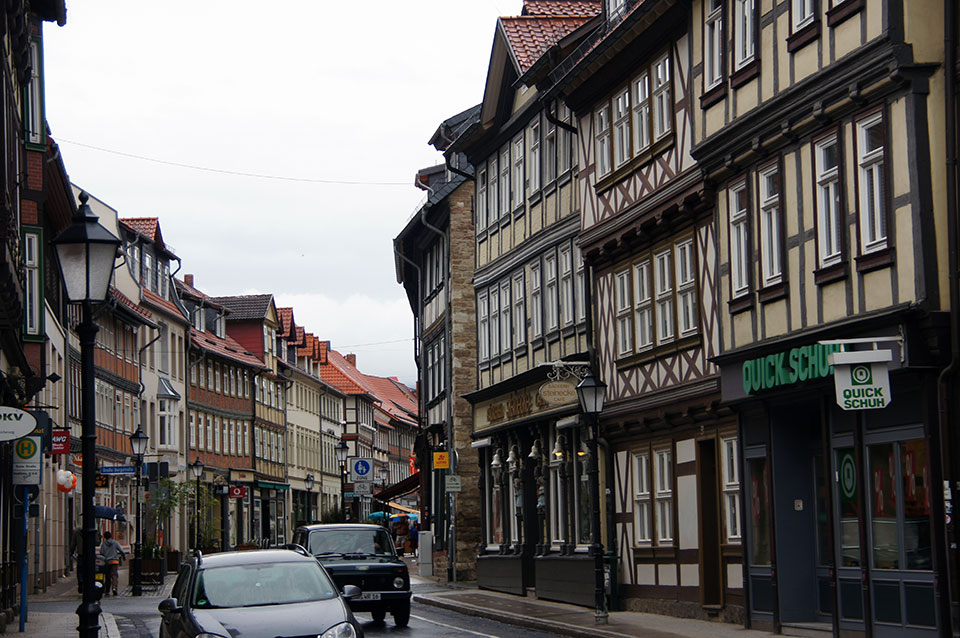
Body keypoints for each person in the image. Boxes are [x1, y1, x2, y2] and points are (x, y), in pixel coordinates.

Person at [70, 527, 101, 594]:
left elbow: (73, 544)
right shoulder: (92, 529)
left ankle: (81, 582)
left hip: (81, 554)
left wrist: (71, 552)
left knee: (80, 570)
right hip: (90, 554)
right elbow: (97, 543)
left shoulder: (77, 532)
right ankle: (89, 584)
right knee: (90, 569)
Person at [99, 530, 126, 596]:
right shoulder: (115, 543)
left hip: (107, 562)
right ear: (111, 536)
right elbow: (121, 550)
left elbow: (101, 553)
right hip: (114, 561)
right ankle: (114, 588)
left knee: (107, 576)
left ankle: (107, 590)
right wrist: (123, 556)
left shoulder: (103, 544)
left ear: (105, 537)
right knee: (114, 575)